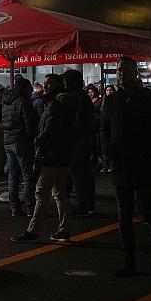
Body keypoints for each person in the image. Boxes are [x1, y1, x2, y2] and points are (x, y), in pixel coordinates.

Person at [101, 56, 151, 276]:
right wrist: (107, 152)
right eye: (119, 70)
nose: (121, 73)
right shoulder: (111, 101)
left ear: (135, 72)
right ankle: (129, 259)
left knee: (148, 209)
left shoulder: (150, 98)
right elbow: (104, 128)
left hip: (144, 161)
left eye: (126, 69)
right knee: (124, 214)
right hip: (120, 164)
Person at [12, 74, 78, 243]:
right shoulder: (64, 103)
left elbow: (50, 128)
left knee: (41, 192)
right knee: (60, 193)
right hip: (62, 154)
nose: (45, 86)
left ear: (58, 84)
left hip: (51, 154)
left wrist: (38, 141)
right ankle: (64, 229)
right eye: (45, 83)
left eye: (49, 83)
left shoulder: (56, 104)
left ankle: (33, 230)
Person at [2, 77, 39, 216]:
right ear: (24, 88)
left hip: (8, 141)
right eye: (29, 87)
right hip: (22, 141)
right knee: (27, 175)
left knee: (13, 176)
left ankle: (15, 208)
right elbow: (29, 122)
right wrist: (32, 138)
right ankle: (30, 207)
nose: (31, 90)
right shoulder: (24, 101)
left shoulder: (6, 102)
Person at [65, 70, 97, 217]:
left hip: (79, 138)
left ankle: (83, 204)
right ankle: (88, 203)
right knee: (84, 171)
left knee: (75, 170)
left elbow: (76, 120)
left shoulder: (76, 97)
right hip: (86, 137)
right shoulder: (83, 96)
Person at [99, 85, 116, 173]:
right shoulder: (103, 101)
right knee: (104, 147)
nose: (109, 92)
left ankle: (111, 165)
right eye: (107, 90)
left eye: (111, 90)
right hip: (104, 126)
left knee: (111, 146)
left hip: (110, 126)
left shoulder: (115, 102)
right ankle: (105, 165)